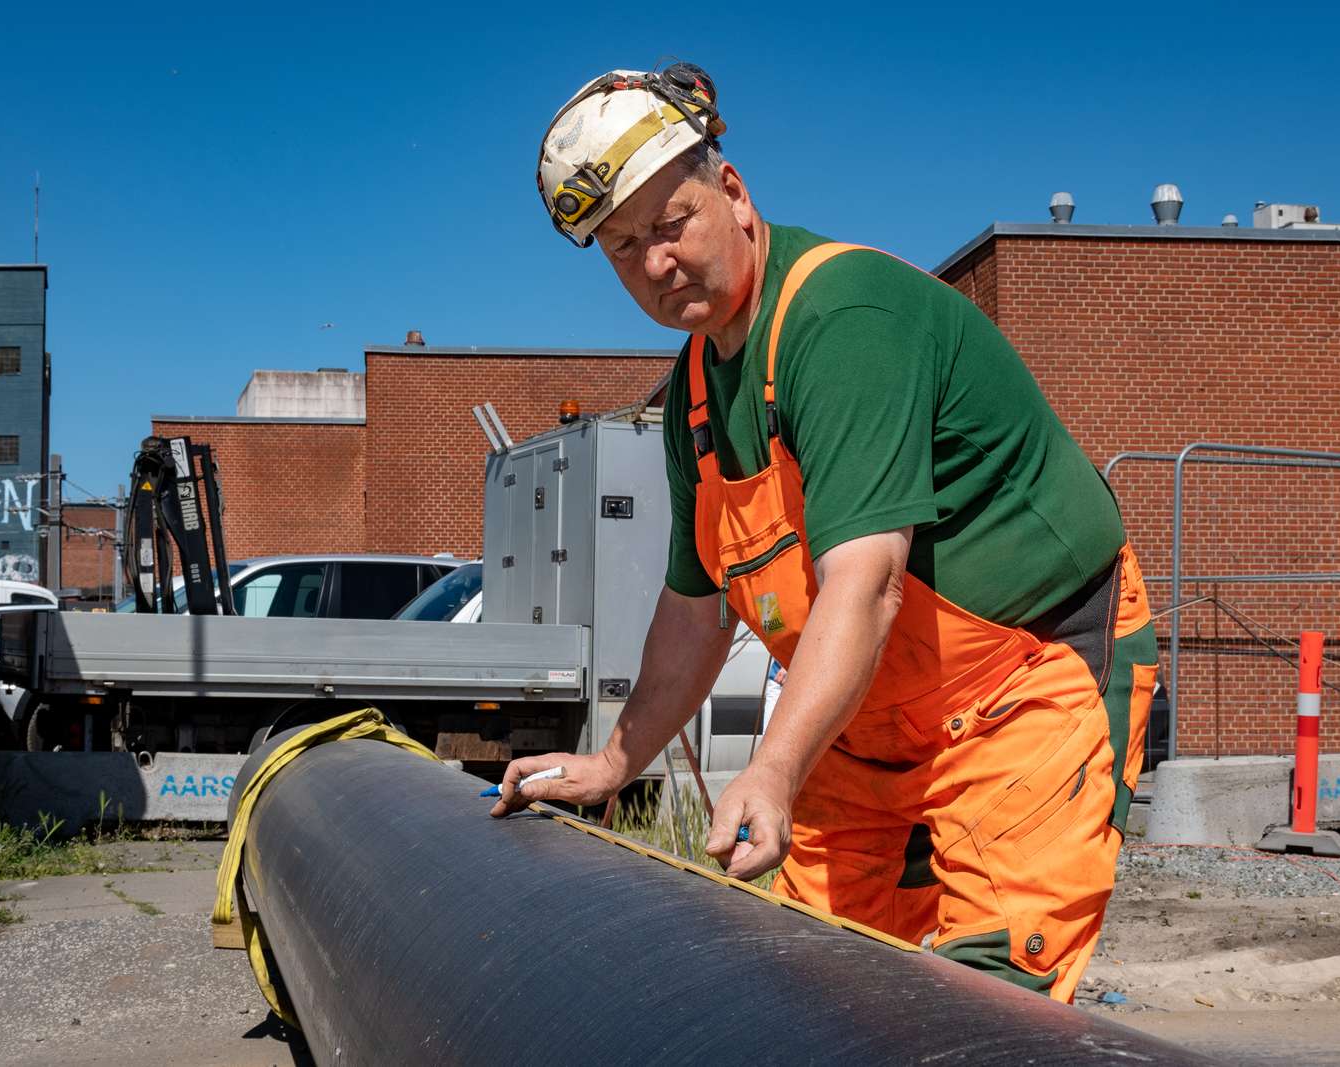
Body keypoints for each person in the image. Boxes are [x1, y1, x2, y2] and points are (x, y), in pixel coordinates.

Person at [493, 62, 1158, 1003]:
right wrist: (611, 764)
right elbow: (693, 614)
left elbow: (867, 583)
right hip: (868, 719)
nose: (654, 262)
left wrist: (770, 771)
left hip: (1025, 684)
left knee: (984, 999)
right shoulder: (693, 393)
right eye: (622, 245)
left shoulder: (842, 322)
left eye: (671, 222)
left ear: (733, 190)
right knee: (812, 982)